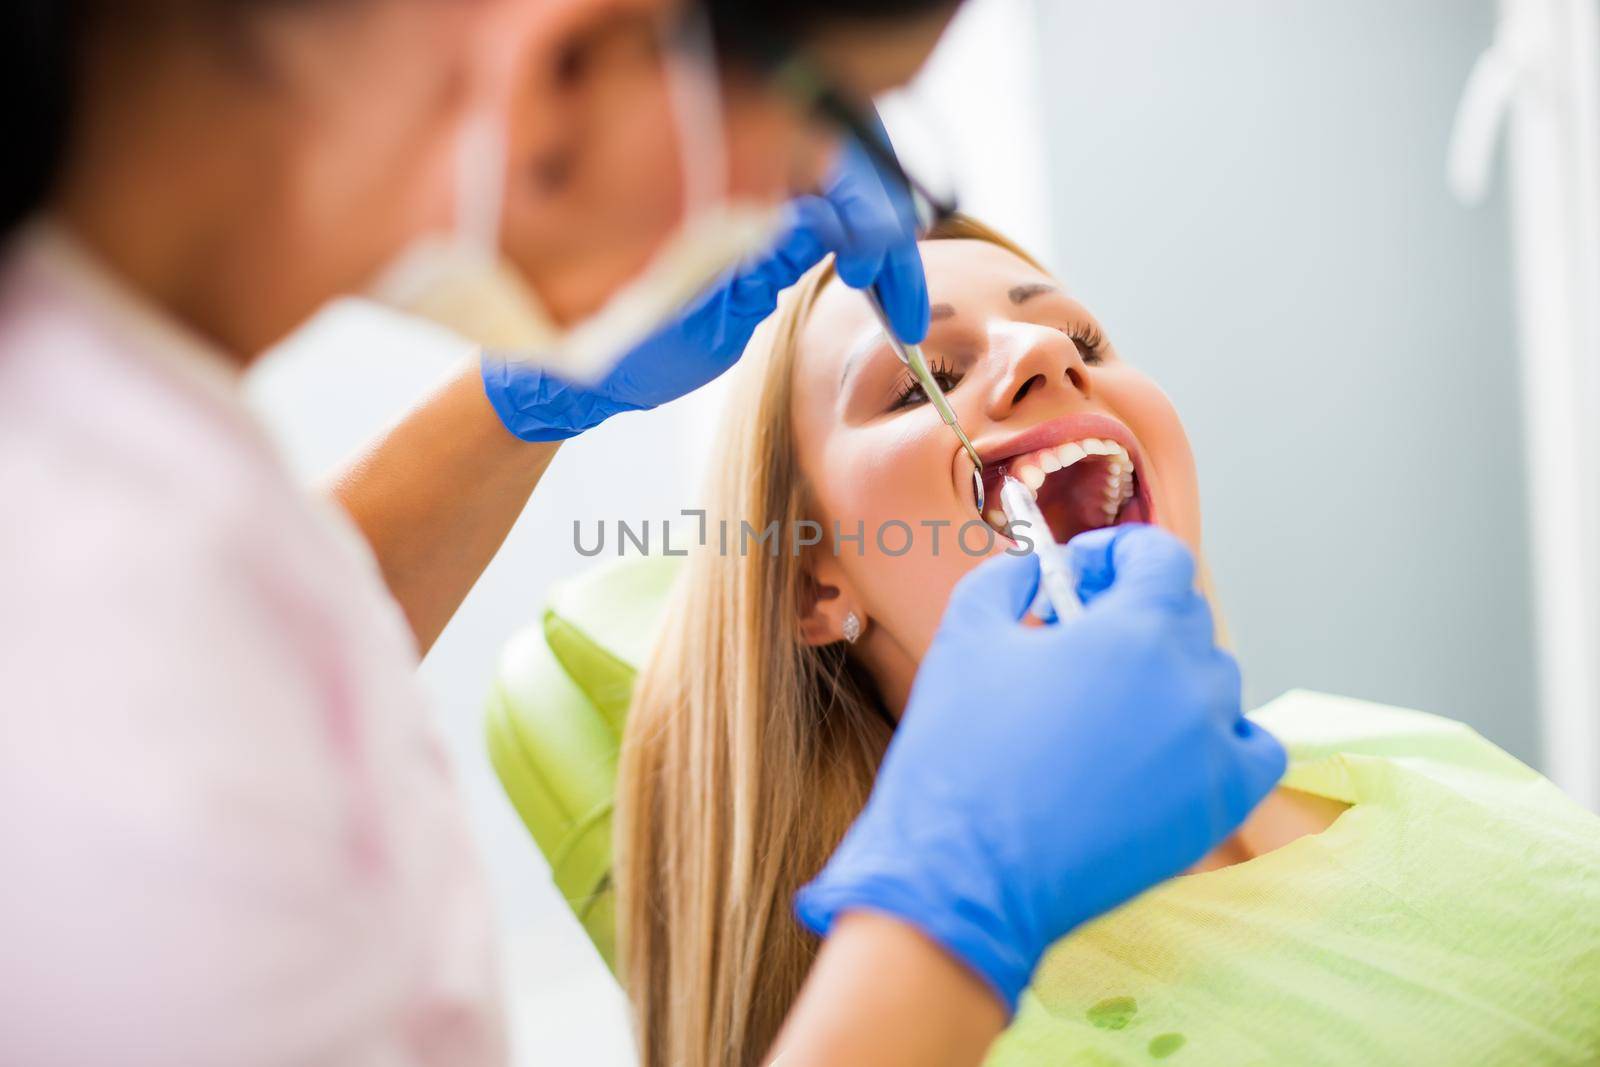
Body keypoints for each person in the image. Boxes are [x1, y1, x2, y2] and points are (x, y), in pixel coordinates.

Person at [0, 2, 1279, 1066]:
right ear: (576, 50)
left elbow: (255, 646)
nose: (1046, 354)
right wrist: (947, 923)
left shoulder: (121, 456)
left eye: (1085, 338)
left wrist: (517, 398)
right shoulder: (109, 691)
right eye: (834, 113)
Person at [616, 215, 1600, 1066]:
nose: (1050, 358)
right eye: (923, 384)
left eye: (1077, 333)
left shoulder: (1377, 742)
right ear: (812, 583)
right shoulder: (947, 1020)